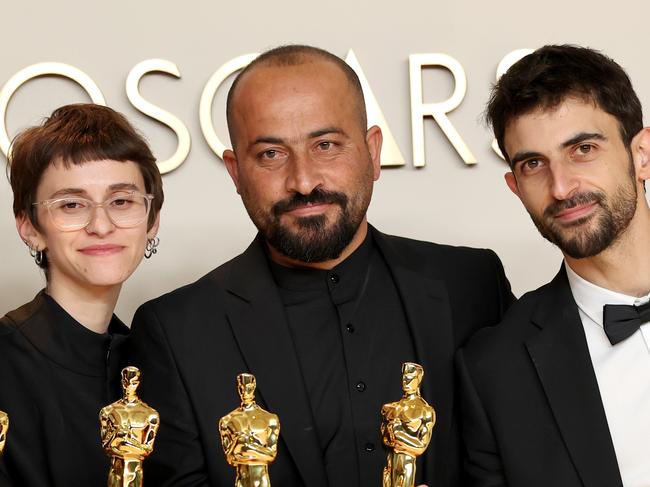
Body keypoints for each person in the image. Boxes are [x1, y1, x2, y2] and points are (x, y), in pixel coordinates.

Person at [127, 44, 513, 487]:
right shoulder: (175, 331)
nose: (304, 181)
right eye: (271, 154)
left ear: (372, 151)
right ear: (235, 172)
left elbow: (527, 459)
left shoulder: (472, 286)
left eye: (326, 145)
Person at [457, 44, 650, 487]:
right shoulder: (493, 370)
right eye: (533, 164)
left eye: (583, 148)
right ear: (514, 186)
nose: (561, 187)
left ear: (642, 155)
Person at [0, 103, 163, 486]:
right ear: (30, 226)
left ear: (152, 220)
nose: (101, 225)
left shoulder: (163, 361)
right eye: (71, 205)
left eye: (121, 201)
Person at [100, 366, 160, 487]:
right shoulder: (108, 411)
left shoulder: (150, 414)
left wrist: (123, 441)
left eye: (133, 383)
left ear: (138, 383)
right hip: (116, 471)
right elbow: (106, 447)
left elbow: (147, 449)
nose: (128, 387)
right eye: (125, 382)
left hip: (135, 471)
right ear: (122, 382)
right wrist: (119, 438)